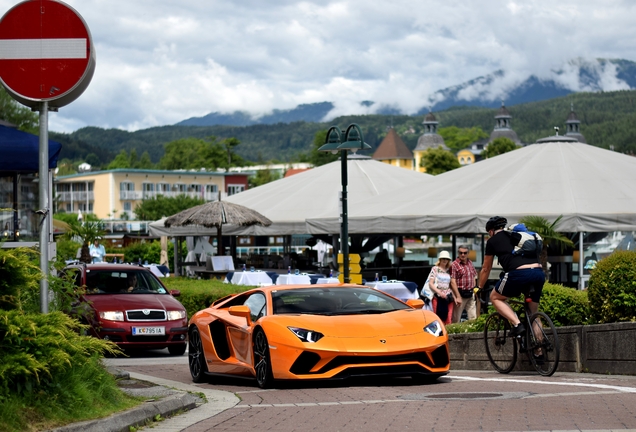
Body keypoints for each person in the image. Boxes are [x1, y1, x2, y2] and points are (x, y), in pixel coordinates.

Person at [477, 216, 545, 345]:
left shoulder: (492, 241)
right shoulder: (515, 236)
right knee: (533, 313)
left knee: (495, 297)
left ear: (490, 231)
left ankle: (517, 324)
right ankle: (539, 350)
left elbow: (486, 268)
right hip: (538, 273)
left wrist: (479, 287)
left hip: (518, 273)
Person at [427, 251, 460, 324]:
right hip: (438, 297)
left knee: (449, 318)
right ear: (440, 259)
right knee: (438, 318)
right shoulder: (435, 269)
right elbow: (431, 283)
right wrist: (439, 293)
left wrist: (454, 297)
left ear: (448, 260)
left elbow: (450, 286)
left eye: (446, 259)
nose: (445, 260)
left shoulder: (448, 270)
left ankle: (448, 334)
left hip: (448, 297)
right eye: (443, 258)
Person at [451, 245, 478, 323]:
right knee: (456, 318)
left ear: (468, 253)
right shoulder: (454, 264)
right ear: (458, 253)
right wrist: (458, 296)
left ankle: (473, 333)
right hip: (460, 293)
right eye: (461, 253)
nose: (463, 255)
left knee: (473, 317)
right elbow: (452, 281)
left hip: (470, 293)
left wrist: (474, 290)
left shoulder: (470, 263)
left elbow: (474, 276)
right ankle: (455, 334)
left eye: (465, 253)